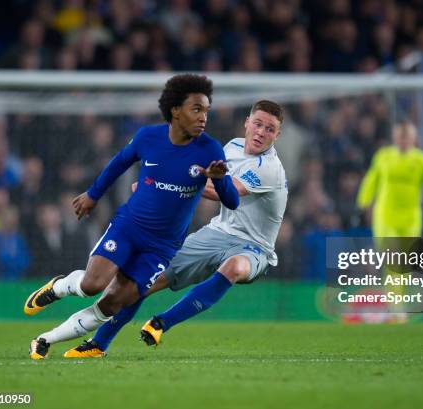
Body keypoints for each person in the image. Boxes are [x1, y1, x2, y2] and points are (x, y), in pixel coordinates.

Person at [25, 74, 240, 359]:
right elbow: (117, 164)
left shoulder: (210, 149)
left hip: (161, 247)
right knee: (92, 285)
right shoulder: (148, 137)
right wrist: (92, 195)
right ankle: (59, 286)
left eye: (207, 111)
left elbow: (232, 202)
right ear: (176, 110)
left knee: (112, 304)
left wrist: (220, 179)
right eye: (197, 109)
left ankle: (45, 339)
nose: (203, 118)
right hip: (129, 227)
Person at [63, 99, 287, 357]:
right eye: (258, 124)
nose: (261, 132)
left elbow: (226, 193)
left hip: (255, 246)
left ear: (277, 135)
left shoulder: (270, 168)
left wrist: (158, 184)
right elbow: (199, 177)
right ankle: (98, 344)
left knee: (234, 266)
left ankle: (161, 323)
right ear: (247, 123)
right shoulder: (232, 147)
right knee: (143, 280)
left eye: (270, 129)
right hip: (217, 233)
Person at [356, 121, 423, 238]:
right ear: (394, 137)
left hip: (411, 220)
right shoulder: (383, 157)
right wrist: (362, 206)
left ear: (413, 138)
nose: (403, 141)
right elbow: (370, 183)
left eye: (407, 137)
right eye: (401, 137)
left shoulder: (422, 161)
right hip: (386, 218)